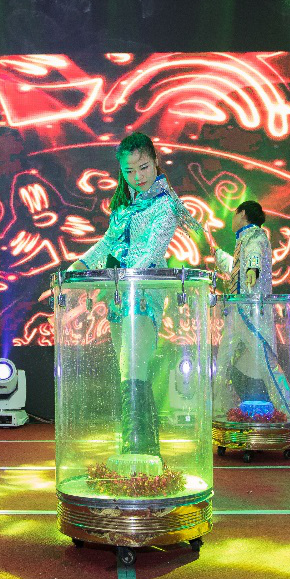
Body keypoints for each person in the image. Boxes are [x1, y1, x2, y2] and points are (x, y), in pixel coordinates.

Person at [66, 132, 201, 460]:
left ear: (155, 162)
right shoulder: (124, 205)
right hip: (120, 294)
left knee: (134, 367)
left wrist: (119, 282)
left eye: (143, 168)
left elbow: (152, 254)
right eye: (129, 171)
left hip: (144, 292)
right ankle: (144, 451)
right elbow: (107, 244)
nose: (137, 177)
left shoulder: (165, 204)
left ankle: (137, 449)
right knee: (128, 370)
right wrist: (76, 269)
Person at [213, 201, 290, 426]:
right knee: (222, 362)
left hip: (252, 314)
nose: (232, 219)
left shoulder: (255, 236)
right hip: (237, 313)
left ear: (242, 214)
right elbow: (236, 269)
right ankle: (220, 409)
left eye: (234, 214)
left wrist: (253, 269)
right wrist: (218, 254)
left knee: (268, 366)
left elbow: (254, 257)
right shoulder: (242, 240)